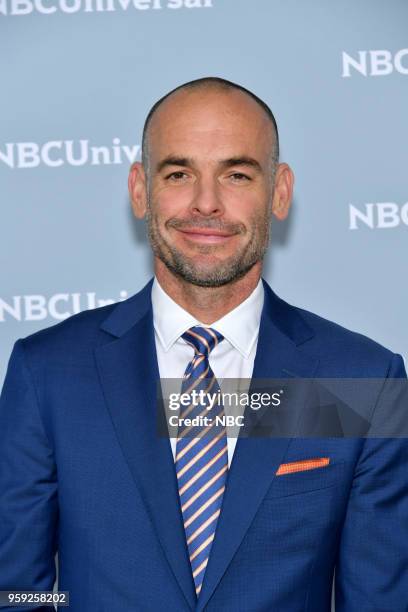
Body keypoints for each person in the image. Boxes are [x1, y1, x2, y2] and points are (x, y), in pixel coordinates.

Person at [0, 77, 406, 612]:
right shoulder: (47, 373)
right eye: (178, 173)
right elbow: (16, 592)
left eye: (237, 174)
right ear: (140, 190)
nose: (206, 203)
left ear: (279, 192)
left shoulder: (362, 382)